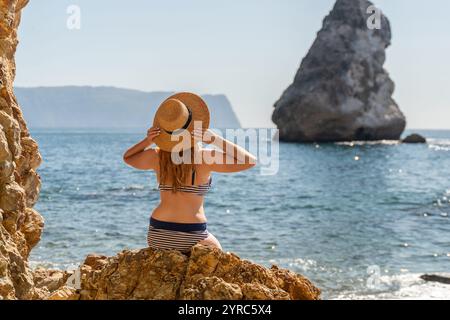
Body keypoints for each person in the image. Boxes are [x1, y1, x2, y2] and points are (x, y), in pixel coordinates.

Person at [123, 92, 256, 253]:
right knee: (219, 256)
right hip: (193, 234)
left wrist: (149, 141)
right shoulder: (205, 158)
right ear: (195, 127)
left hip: (158, 233)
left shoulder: (157, 156)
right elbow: (249, 161)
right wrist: (215, 139)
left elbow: (128, 158)